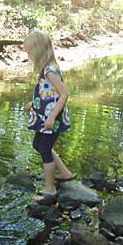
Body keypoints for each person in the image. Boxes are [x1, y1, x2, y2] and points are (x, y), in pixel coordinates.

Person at [23, 30, 76, 204]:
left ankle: (50, 188)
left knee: (44, 149)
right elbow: (48, 93)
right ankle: (65, 173)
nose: (29, 55)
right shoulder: (46, 69)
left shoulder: (50, 71)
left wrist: (52, 117)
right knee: (38, 145)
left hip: (51, 118)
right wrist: (34, 103)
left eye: (30, 52)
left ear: (38, 51)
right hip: (46, 115)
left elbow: (64, 94)